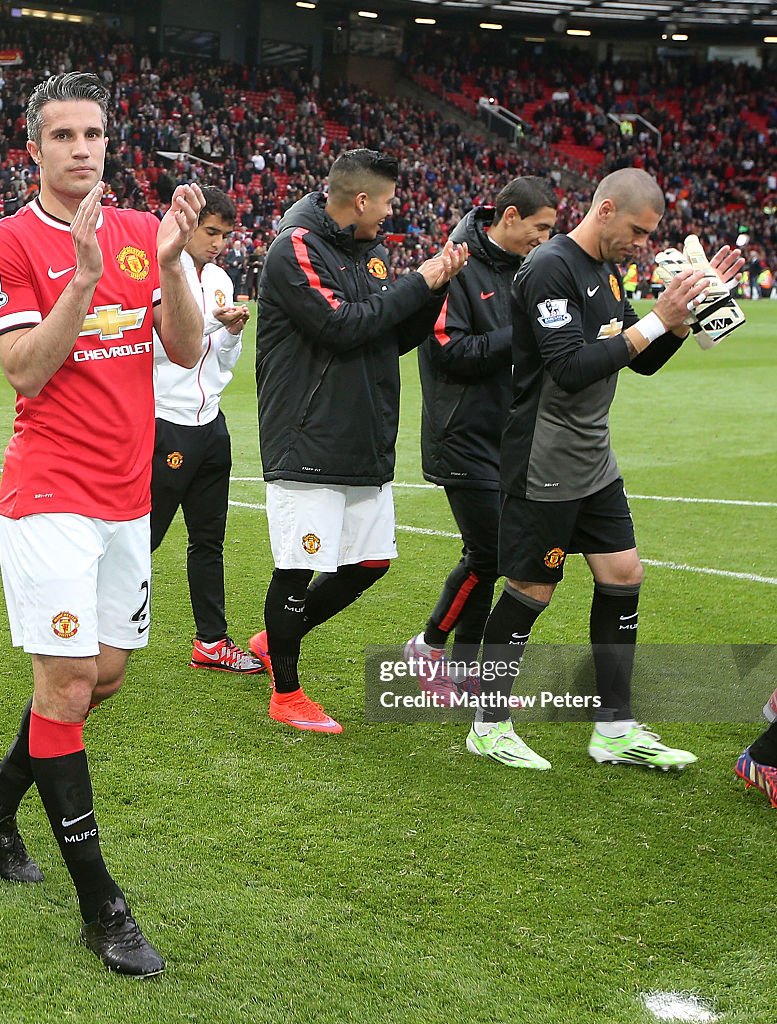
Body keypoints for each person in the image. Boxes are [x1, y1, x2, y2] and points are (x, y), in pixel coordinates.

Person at [0, 72, 204, 977]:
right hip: (48, 495)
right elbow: (24, 369)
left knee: (101, 681)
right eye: (63, 136)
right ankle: (104, 908)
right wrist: (85, 280)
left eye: (93, 134)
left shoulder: (143, 232)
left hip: (124, 501)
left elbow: (182, 348)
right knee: (63, 688)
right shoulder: (3, 244)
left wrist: (171, 263)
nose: (82, 150)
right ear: (34, 148)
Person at [465, 167, 744, 771]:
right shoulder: (550, 267)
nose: (642, 245)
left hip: (593, 455)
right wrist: (656, 319)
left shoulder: (606, 270)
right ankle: (488, 723)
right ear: (608, 209)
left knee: (624, 574)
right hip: (545, 457)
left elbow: (637, 362)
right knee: (531, 588)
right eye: (638, 232)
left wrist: (687, 315)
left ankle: (613, 727)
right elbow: (568, 367)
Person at [250, 148, 468, 734]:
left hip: (363, 431)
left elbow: (386, 334)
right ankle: (286, 692)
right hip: (309, 433)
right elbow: (341, 326)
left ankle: (275, 639)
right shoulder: (294, 247)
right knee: (298, 566)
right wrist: (417, 282)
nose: (391, 216)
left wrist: (435, 290)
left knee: (371, 561)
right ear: (362, 199)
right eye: (389, 203)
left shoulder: (366, 253)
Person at [406, 177, 557, 692]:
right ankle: (427, 648)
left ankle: (465, 666)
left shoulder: (530, 270)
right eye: (540, 228)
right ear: (509, 217)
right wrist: (522, 335)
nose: (545, 238)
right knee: (488, 554)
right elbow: (449, 350)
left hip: (509, 435)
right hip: (462, 433)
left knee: (492, 557)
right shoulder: (455, 264)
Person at [150, 186, 263, 675]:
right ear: (186, 224)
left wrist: (232, 333)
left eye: (225, 234)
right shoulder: (156, 273)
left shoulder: (219, 277)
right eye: (210, 231)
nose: (218, 242)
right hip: (163, 422)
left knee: (209, 539)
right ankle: (94, 627)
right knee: (142, 539)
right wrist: (215, 329)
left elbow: (220, 360)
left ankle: (211, 641)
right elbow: (160, 350)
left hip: (211, 423)